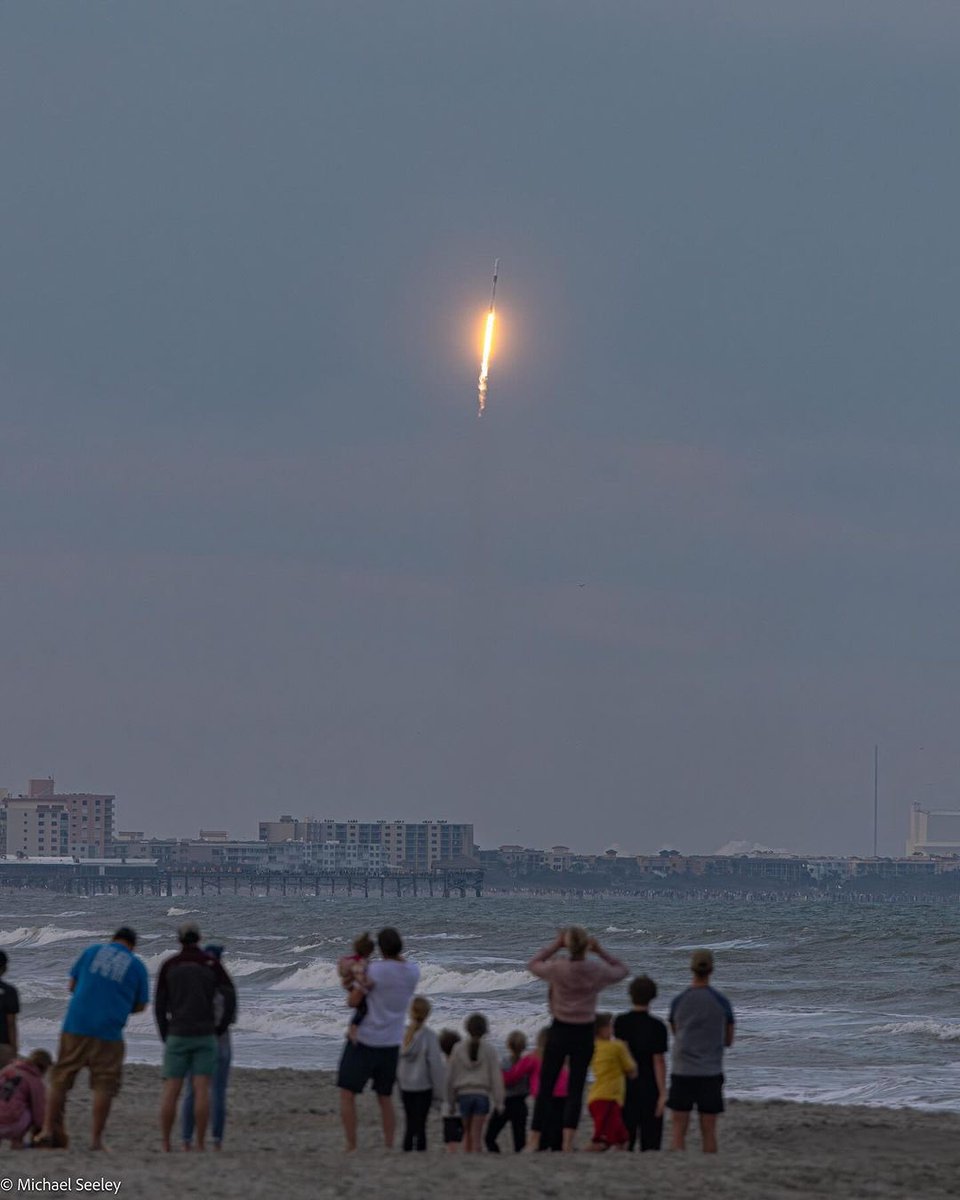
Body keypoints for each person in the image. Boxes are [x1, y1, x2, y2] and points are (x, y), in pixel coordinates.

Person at [37, 926, 150, 1151]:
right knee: (103, 1085)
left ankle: (47, 1130)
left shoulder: (92, 951)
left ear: (113, 939)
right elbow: (140, 1005)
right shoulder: (137, 966)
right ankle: (96, 1141)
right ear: (133, 945)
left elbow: (72, 985)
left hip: (76, 1025)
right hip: (109, 1031)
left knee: (60, 1079)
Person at [526, 927, 628, 1152]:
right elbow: (622, 970)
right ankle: (567, 1141)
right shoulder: (595, 969)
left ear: (568, 945)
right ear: (586, 947)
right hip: (584, 1032)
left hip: (560, 1029)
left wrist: (554, 944)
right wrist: (601, 952)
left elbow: (533, 964)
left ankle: (534, 1139)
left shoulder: (558, 967)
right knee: (576, 1088)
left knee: (546, 1086)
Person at [156, 922, 237, 1153]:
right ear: (199, 938)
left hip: (178, 1032)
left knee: (172, 1089)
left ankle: (168, 1142)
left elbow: (160, 1004)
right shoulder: (210, 964)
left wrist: (165, 1032)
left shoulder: (169, 964)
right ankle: (201, 1143)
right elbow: (230, 995)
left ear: (179, 940)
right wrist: (220, 1027)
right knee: (202, 1089)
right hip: (205, 1033)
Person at [337, 927, 419, 1152]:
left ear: (380, 949)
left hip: (365, 1039)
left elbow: (354, 1001)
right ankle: (389, 1144)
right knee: (385, 1097)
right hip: (392, 1041)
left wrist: (351, 981)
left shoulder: (374, 970)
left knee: (347, 1092)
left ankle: (352, 1145)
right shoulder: (413, 971)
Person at [667, 948, 735, 1153]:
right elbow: (728, 1040)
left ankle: (679, 1166)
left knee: (679, 1128)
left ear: (691, 969)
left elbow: (676, 1033)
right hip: (710, 1070)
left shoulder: (678, 1001)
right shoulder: (722, 1002)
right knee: (709, 1129)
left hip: (683, 1070)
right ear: (712, 969)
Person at [181, 944, 236, 1151]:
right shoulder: (225, 986)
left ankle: (187, 1138)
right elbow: (230, 1017)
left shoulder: (197, 985)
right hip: (221, 1042)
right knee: (218, 1092)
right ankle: (217, 1140)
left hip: (197, 1039)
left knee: (192, 1090)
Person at [614, 975, 668, 1151]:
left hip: (626, 1083)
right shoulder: (658, 1026)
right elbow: (658, 1061)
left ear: (630, 995)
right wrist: (662, 1093)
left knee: (625, 1137)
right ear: (653, 996)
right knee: (651, 1142)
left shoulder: (621, 1022)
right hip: (650, 1085)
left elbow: (621, 1054)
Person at [445, 1013, 504, 1152]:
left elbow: (450, 1077)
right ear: (485, 1030)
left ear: (467, 1028)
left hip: (463, 1095)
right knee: (476, 1135)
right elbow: (496, 1078)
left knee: (466, 1134)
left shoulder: (457, 1048)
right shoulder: (490, 1050)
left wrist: (450, 1101)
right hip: (481, 1096)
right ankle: (476, 1160)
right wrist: (499, 1102)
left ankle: (466, 1160)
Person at [503, 1027, 569, 1152]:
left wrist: (501, 1075)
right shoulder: (562, 1056)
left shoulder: (533, 1057)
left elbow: (515, 1075)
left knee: (544, 1121)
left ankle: (543, 1144)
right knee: (558, 1121)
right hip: (563, 1093)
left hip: (543, 1094)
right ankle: (557, 1145)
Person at [396, 995, 445, 1152]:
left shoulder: (402, 1034)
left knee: (409, 1123)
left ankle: (407, 1152)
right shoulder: (429, 1036)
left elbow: (396, 1063)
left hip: (405, 1086)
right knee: (421, 1125)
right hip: (423, 1086)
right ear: (427, 1014)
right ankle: (420, 1155)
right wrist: (439, 1093)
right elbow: (436, 1066)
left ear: (410, 1013)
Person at [584, 1012, 636, 1152]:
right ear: (602, 1029)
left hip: (594, 1096)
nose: (612, 1029)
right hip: (609, 1097)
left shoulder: (592, 1047)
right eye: (609, 1026)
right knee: (604, 1137)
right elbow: (631, 1069)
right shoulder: (617, 1046)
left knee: (620, 1135)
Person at [485, 1030, 529, 1153]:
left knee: (490, 1137)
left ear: (508, 1045)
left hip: (505, 1102)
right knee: (520, 1142)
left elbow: (497, 1082)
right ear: (524, 1046)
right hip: (520, 1103)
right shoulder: (526, 1064)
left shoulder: (504, 1063)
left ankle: (497, 1156)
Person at [0, 1049, 52, 1148]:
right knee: (28, 1109)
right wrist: (41, 1127)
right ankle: (17, 1141)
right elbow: (39, 1110)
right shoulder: (35, 1080)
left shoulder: (8, 1069)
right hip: (12, 1124)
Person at [338, 932, 375, 1040]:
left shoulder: (350, 960)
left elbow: (342, 972)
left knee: (361, 1009)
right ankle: (353, 1030)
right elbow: (359, 975)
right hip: (358, 988)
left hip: (350, 986)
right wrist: (367, 983)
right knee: (364, 1008)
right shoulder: (360, 963)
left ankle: (353, 1029)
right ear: (370, 951)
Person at [438, 1029, 464, 1152]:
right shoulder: (464, 1066)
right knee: (465, 1136)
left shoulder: (442, 1067)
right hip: (464, 1106)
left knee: (451, 1140)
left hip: (448, 1110)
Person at [0, 952, 20, 1068]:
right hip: (3, 1045)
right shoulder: (10, 991)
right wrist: (14, 1049)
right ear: (5, 968)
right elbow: (11, 1023)